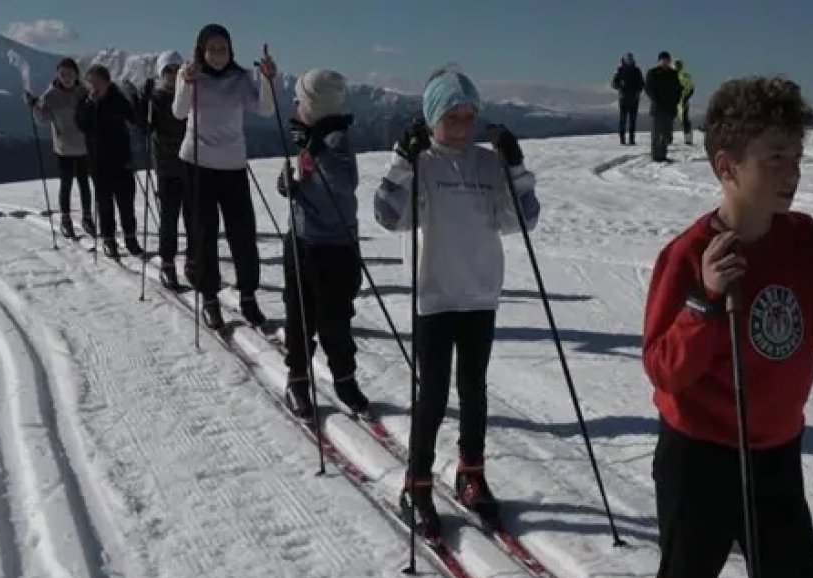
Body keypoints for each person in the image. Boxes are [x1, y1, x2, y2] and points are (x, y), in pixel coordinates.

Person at [640, 76, 813, 578]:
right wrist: (704, 301)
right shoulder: (691, 253)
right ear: (727, 166)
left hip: (775, 449)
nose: (791, 171)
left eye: (796, 155)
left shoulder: (796, 239)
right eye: (774, 157)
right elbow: (664, 367)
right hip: (700, 452)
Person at [373, 68, 542, 538]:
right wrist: (401, 164)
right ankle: (418, 482)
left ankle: (471, 471)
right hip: (435, 295)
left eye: (469, 116)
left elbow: (521, 221)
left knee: (474, 389)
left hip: (481, 292)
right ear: (432, 117)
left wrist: (515, 168)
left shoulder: (488, 165)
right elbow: (389, 217)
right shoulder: (423, 163)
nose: (463, 126)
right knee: (431, 394)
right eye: (452, 116)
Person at [274, 67, 371, 420]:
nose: (296, 106)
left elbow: (343, 184)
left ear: (314, 105)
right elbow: (314, 184)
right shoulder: (315, 137)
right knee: (298, 315)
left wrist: (313, 147)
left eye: (300, 100)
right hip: (300, 239)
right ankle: (298, 377)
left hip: (334, 245)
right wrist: (293, 187)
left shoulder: (336, 140)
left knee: (335, 319)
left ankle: (344, 378)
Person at [173, 23, 277, 330]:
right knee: (203, 233)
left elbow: (267, 110)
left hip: (232, 164)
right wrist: (186, 83)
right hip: (198, 163)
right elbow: (179, 112)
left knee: (242, 234)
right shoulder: (190, 74)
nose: (218, 54)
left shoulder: (241, 78)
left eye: (224, 48)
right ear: (201, 50)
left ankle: (248, 295)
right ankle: (210, 297)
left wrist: (268, 81)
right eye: (213, 48)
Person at [136, 50, 195, 290]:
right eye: (167, 70)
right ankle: (168, 264)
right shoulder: (157, 99)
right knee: (169, 219)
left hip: (191, 165)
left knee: (193, 218)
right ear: (162, 74)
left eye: (175, 69)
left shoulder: (191, 95)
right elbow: (145, 128)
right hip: (168, 167)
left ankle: (192, 260)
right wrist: (142, 102)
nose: (171, 75)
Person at [75, 65, 143, 259]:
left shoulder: (118, 99)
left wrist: (137, 100)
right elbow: (80, 123)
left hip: (122, 160)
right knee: (104, 204)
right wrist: (90, 103)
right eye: (91, 82)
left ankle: (130, 238)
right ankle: (109, 239)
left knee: (126, 202)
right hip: (98, 162)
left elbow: (135, 119)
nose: (94, 86)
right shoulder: (85, 102)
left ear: (107, 82)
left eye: (98, 82)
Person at [26, 57, 92, 239]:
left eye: (70, 74)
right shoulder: (50, 95)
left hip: (83, 146)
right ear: (58, 75)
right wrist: (34, 107)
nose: (66, 77)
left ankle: (86, 217)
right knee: (67, 184)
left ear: (76, 75)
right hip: (64, 148)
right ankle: (66, 219)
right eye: (63, 74)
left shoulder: (84, 92)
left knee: (84, 184)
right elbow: (42, 119)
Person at [644, 51, 682, 162]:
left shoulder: (673, 74)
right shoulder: (653, 73)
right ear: (659, 61)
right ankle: (656, 156)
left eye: (667, 60)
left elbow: (678, 89)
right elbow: (648, 88)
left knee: (666, 133)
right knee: (656, 133)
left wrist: (676, 100)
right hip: (658, 107)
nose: (665, 62)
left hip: (670, 108)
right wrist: (655, 99)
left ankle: (663, 155)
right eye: (663, 60)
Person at [611, 53, 644, 145]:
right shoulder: (620, 70)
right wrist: (620, 86)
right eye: (628, 59)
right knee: (623, 119)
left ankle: (632, 139)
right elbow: (613, 83)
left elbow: (642, 83)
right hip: (623, 98)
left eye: (631, 59)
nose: (629, 60)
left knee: (633, 120)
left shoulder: (637, 70)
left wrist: (638, 90)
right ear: (624, 60)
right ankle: (622, 139)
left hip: (634, 98)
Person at [674, 59, 695, 144]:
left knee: (684, 119)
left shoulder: (685, 75)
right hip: (672, 100)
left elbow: (691, 88)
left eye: (679, 64)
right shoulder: (671, 74)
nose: (677, 66)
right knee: (668, 119)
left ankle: (688, 138)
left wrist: (686, 98)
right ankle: (668, 138)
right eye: (676, 64)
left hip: (683, 99)